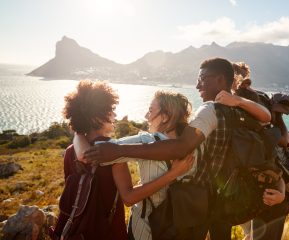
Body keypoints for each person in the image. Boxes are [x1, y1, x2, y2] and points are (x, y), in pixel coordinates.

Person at [77, 58, 271, 240]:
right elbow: (267, 117)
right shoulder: (241, 110)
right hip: (230, 197)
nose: (197, 85)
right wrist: (239, 101)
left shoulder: (210, 110)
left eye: (202, 79)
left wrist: (119, 150)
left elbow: (181, 147)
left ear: (220, 79)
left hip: (198, 201)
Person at [74, 90, 195, 240]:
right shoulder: (193, 145)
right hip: (183, 227)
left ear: (165, 116)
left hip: (145, 230)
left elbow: (93, 152)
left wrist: (78, 133)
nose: (146, 116)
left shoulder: (145, 140)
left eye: (151, 111)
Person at [51, 80, 128, 240]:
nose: (115, 115)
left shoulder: (70, 151)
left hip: (80, 233)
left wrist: (77, 134)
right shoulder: (112, 151)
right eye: (110, 110)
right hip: (110, 233)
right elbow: (128, 196)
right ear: (95, 117)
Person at [231, 62, 289, 240]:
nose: (242, 82)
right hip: (249, 189)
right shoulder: (228, 103)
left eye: (241, 77)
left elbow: (283, 142)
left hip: (268, 190)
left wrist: (273, 119)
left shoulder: (255, 101)